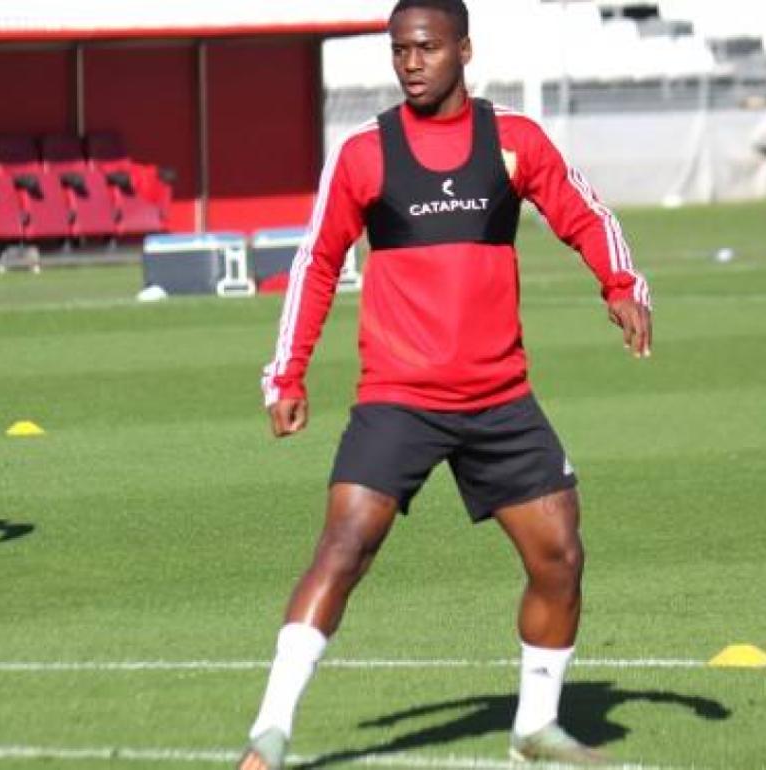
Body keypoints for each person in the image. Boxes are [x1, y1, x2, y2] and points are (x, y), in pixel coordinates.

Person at [240, 0, 652, 766]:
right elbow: (317, 263)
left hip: (500, 399)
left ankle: (535, 727)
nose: (410, 62)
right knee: (345, 546)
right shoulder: (365, 154)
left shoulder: (515, 142)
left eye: (426, 47)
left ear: (464, 49)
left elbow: (585, 215)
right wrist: (287, 373)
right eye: (399, 50)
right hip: (399, 398)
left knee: (559, 555)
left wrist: (621, 284)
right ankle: (269, 734)